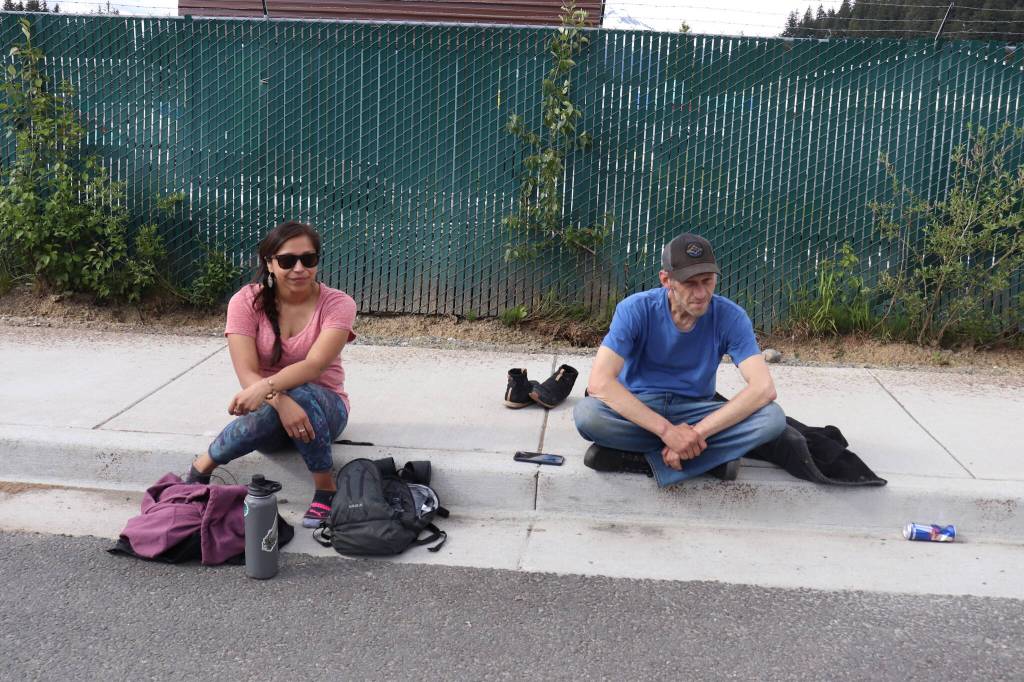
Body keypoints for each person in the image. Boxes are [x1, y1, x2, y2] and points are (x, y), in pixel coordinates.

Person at [573, 233, 786, 487]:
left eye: (707, 281)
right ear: (666, 280)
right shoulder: (635, 309)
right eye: (690, 283)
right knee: (587, 415)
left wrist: (695, 433)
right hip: (641, 408)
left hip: (696, 410)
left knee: (772, 418)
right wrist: (667, 432)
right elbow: (599, 383)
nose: (701, 293)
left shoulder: (731, 317)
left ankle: (642, 458)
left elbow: (763, 388)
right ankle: (708, 460)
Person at [186, 221, 357, 527]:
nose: (299, 268)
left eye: (309, 259)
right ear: (269, 263)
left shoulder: (338, 304)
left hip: (327, 410)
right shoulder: (245, 302)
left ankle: (325, 487)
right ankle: (201, 469)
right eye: (288, 261)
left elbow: (314, 366)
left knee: (301, 391)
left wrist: (269, 389)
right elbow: (246, 372)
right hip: (270, 413)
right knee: (282, 403)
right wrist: (280, 401)